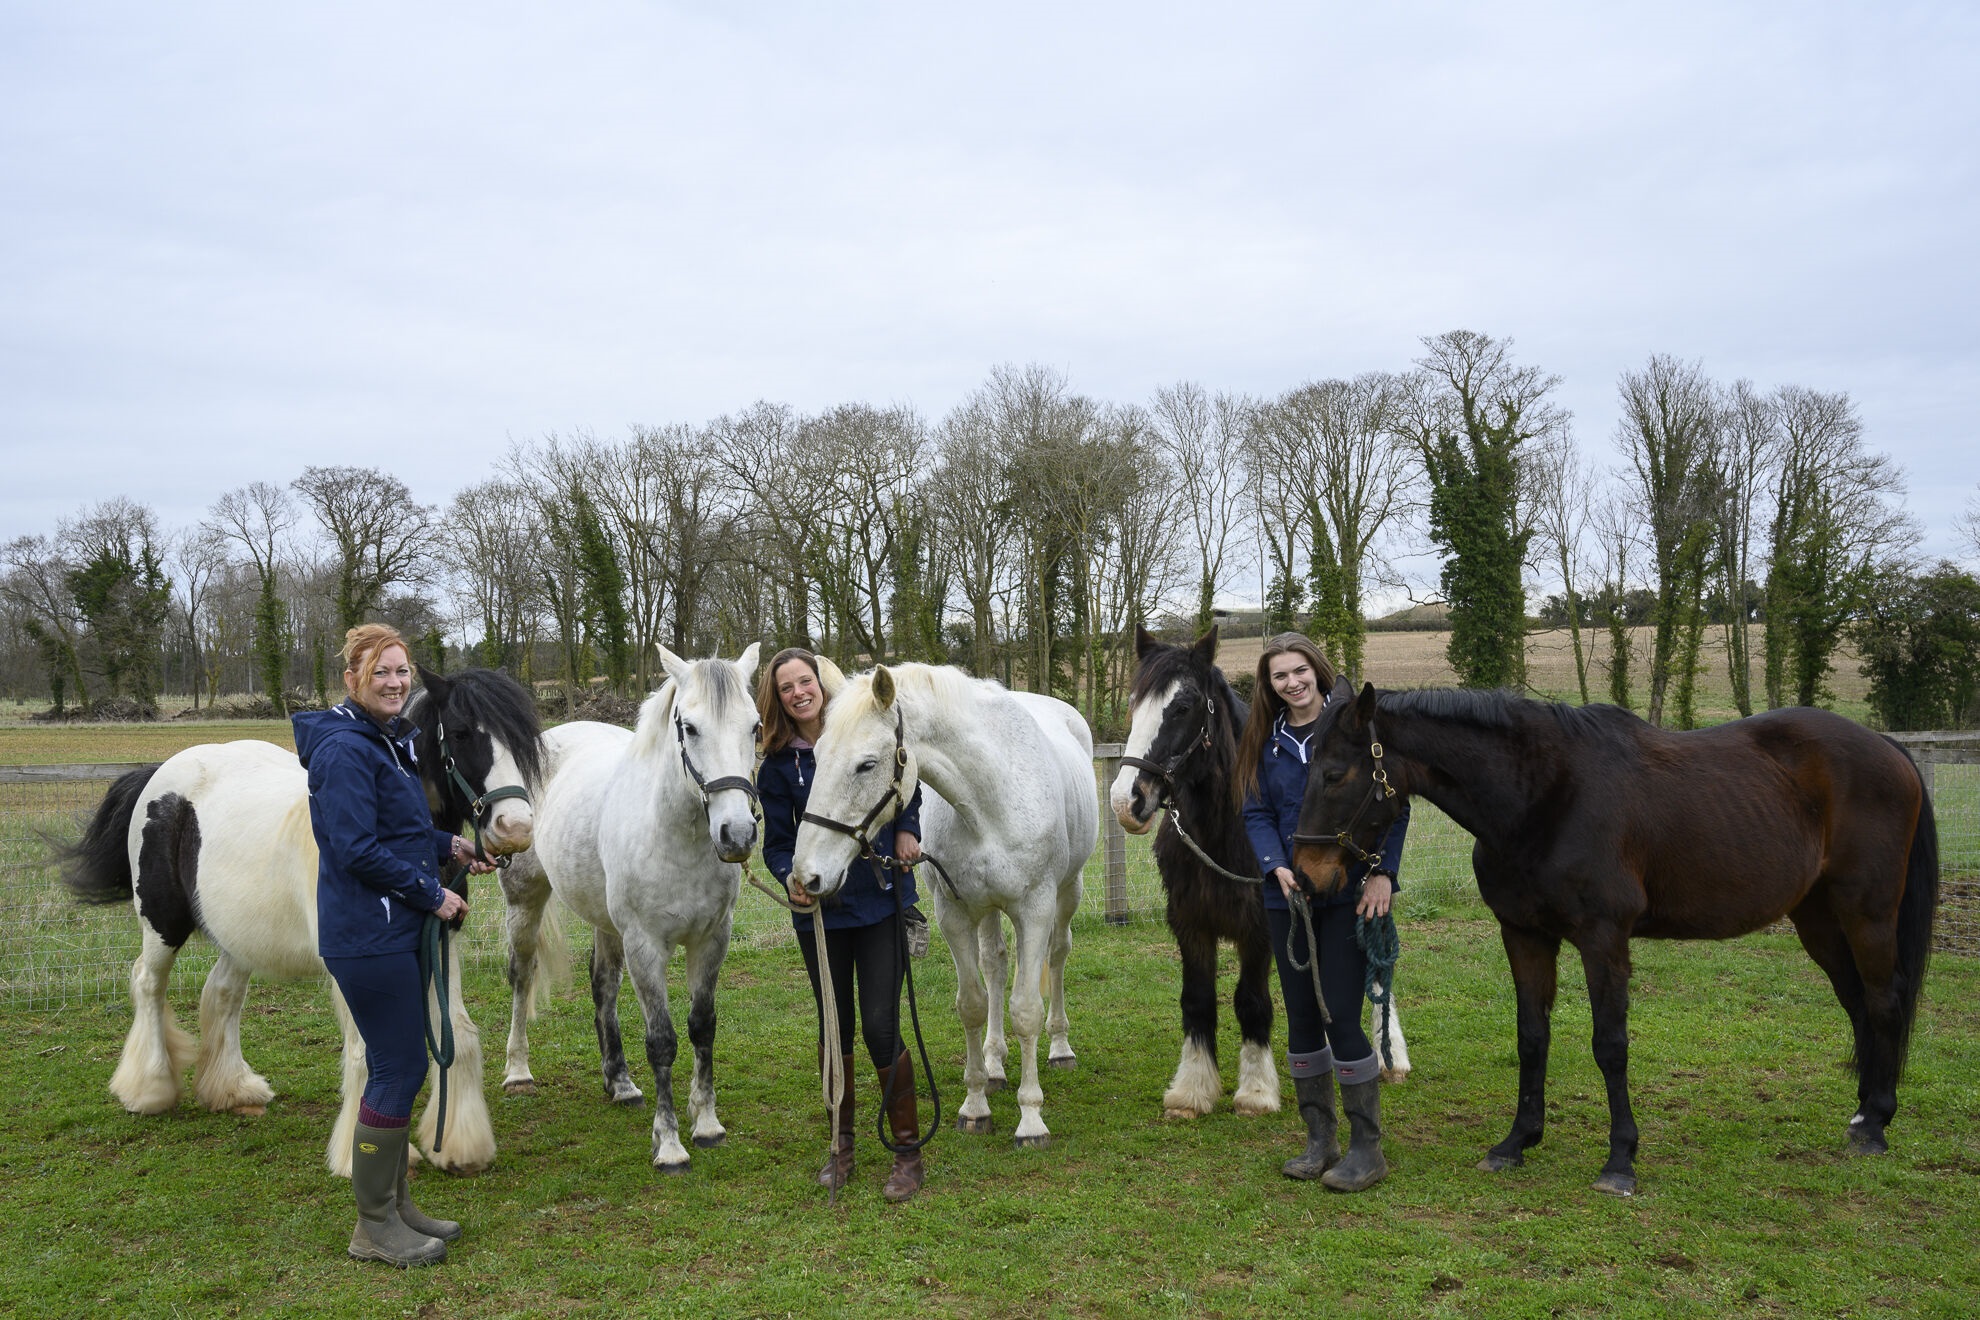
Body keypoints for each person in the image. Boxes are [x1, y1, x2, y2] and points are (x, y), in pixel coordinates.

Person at [292, 624, 495, 1266]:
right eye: (380, 671)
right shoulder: (344, 751)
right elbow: (354, 848)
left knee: (399, 1068)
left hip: (390, 927)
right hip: (367, 934)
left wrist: (450, 845)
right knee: (398, 1068)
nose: (395, 682)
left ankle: (398, 1207)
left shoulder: (386, 739)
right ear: (351, 678)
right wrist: (432, 893)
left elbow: (399, 831)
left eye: (402, 671)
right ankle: (373, 1225)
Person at [1235, 631, 1410, 1192]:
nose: (1292, 683)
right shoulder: (1265, 740)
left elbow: (1395, 807)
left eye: (1299, 671)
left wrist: (1383, 873)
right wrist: (1273, 866)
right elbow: (1256, 811)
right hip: (1286, 897)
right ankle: (1320, 1140)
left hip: (1347, 895)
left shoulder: (1355, 731)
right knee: (1303, 1019)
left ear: (1317, 669)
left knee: (1340, 1014)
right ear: (1269, 685)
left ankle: (1366, 1148)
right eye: (1279, 676)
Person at [756, 646, 928, 1203]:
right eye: (786, 687)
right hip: (820, 916)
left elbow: (904, 779)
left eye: (804, 681)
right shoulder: (778, 766)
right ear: (777, 698)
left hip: (878, 900)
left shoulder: (854, 730)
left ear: (819, 682)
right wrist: (787, 876)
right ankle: (841, 1145)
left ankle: (907, 1151)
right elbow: (777, 844)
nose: (798, 693)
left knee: (880, 1025)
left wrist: (907, 827)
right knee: (835, 1028)